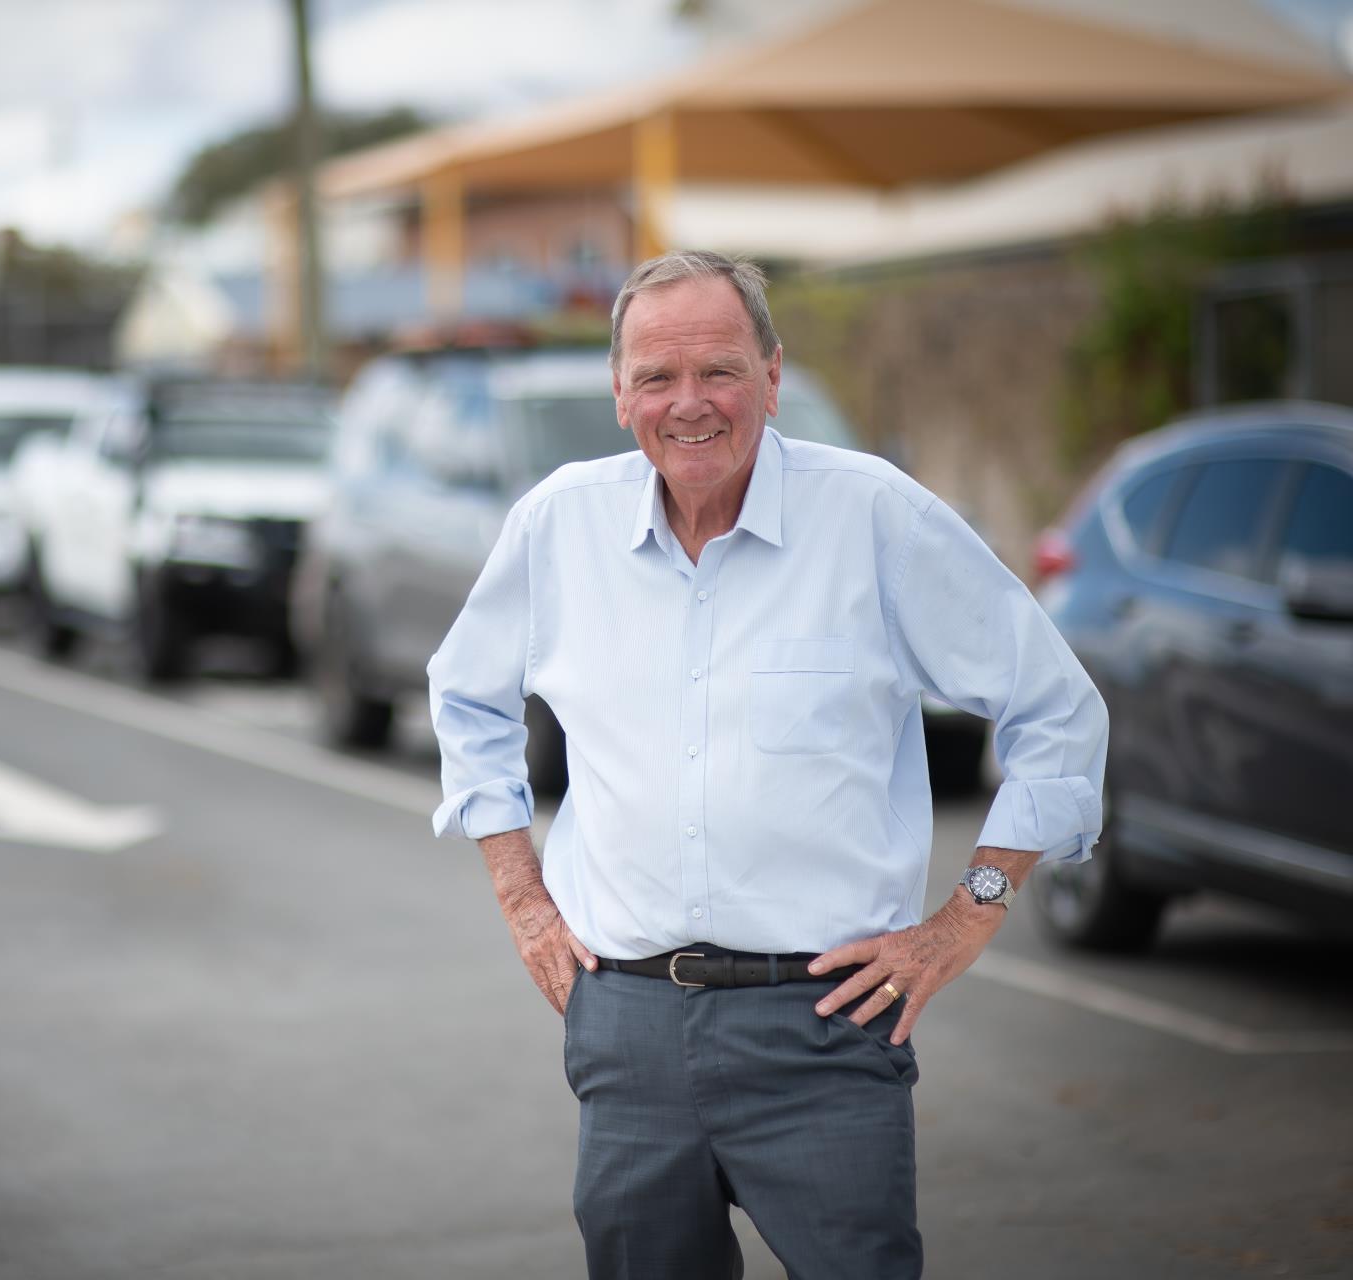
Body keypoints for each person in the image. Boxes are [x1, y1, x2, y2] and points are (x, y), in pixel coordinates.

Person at [427, 250, 1107, 1279]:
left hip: (826, 1027)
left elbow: (1058, 710)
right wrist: (522, 894)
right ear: (620, 394)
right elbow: (464, 693)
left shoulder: (876, 516)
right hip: (627, 1026)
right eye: (656, 376)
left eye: (720, 371)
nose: (688, 402)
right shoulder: (558, 526)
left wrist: (966, 913)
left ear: (773, 377)